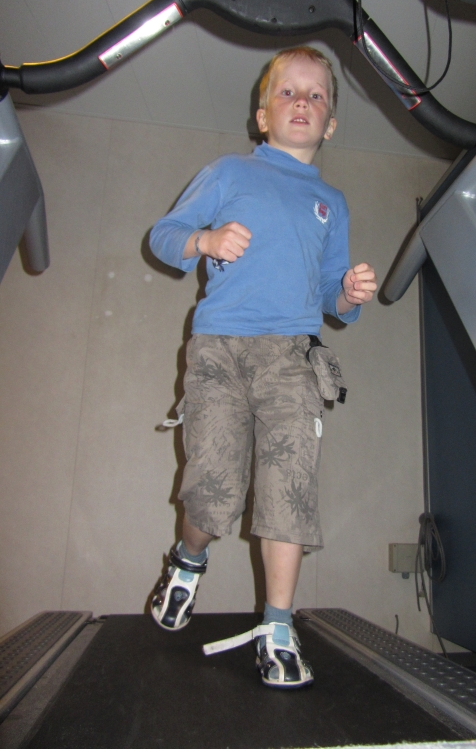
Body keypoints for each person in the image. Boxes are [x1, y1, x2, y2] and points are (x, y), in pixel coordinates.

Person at [149, 46, 377, 689]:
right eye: (288, 92)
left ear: (330, 123)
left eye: (316, 95)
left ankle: (278, 627)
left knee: (288, 487)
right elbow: (163, 237)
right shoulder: (229, 172)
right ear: (262, 115)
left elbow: (334, 297)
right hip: (220, 347)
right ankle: (188, 561)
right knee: (214, 486)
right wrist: (204, 240)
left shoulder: (331, 202)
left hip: (292, 357)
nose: (302, 102)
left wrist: (349, 295)